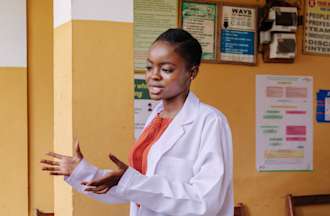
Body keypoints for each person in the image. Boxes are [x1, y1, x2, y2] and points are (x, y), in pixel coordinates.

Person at [41, 28, 233, 216]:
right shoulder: (155, 119)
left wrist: (130, 181)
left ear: (192, 72)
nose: (153, 76)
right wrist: (83, 172)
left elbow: (205, 202)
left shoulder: (210, 121)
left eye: (166, 69)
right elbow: (135, 190)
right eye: (149, 67)